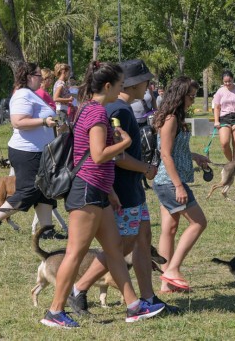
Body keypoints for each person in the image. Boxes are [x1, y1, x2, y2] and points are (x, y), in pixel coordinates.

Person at [41, 62, 165, 329]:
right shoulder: (96, 114)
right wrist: (125, 142)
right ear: (108, 87)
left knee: (115, 250)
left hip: (98, 191)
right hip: (86, 191)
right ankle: (55, 311)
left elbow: (85, 155)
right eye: (120, 85)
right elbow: (97, 155)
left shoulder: (88, 108)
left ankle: (134, 306)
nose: (122, 89)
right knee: (75, 253)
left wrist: (109, 191)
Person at [66, 59, 179, 317]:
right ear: (133, 84)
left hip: (130, 187)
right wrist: (144, 169)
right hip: (121, 188)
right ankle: (79, 288)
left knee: (142, 238)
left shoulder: (121, 107)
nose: (149, 86)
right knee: (122, 246)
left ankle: (148, 298)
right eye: (147, 81)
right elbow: (114, 155)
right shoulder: (119, 110)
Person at [0, 62, 64, 240]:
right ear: (29, 77)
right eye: (38, 76)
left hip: (39, 150)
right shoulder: (22, 95)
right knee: (29, 189)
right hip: (27, 151)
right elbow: (18, 121)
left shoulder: (31, 94)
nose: (41, 79)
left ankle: (47, 230)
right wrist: (45, 122)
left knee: (44, 190)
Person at [152, 76, 211, 292]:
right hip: (169, 182)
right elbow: (165, 155)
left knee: (169, 229)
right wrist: (178, 186)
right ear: (180, 95)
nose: (193, 100)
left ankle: (166, 283)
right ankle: (172, 269)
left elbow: (175, 150)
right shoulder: (170, 119)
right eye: (191, 96)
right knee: (198, 223)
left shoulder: (175, 117)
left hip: (167, 180)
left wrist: (194, 156)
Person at [213, 70, 235, 162]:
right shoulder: (220, 91)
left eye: (229, 81)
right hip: (224, 118)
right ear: (222, 81)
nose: (227, 83)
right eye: (225, 82)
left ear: (233, 79)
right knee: (224, 143)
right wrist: (216, 121)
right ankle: (232, 163)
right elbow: (217, 107)